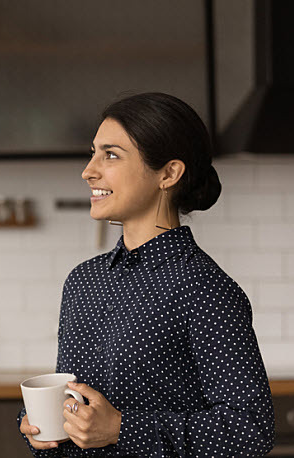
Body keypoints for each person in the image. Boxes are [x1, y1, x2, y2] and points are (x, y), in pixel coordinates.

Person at [18, 92, 275, 456]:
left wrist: (122, 428)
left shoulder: (203, 288)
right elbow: (78, 402)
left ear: (168, 173)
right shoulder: (84, 281)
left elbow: (251, 430)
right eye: (93, 153)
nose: (89, 170)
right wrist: (36, 425)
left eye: (110, 155)